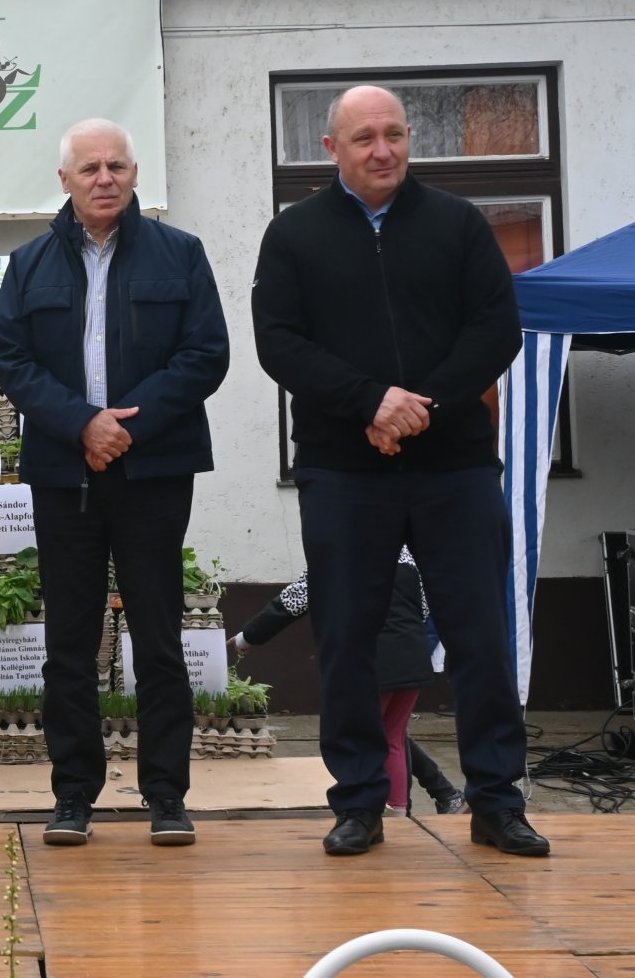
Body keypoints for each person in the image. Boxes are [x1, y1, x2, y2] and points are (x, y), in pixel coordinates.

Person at [252, 84, 548, 857]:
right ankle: (359, 803)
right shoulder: (294, 235)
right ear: (331, 149)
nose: (383, 150)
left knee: (481, 635)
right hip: (343, 470)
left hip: (454, 466)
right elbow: (278, 342)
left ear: (410, 136)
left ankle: (497, 801)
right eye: (364, 138)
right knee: (348, 638)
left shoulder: (457, 224)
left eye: (395, 134)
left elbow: (497, 329)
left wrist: (421, 410)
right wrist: (369, 403)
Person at [0, 119, 229, 848]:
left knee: (158, 636)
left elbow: (205, 354)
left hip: (154, 471)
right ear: (64, 180)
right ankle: (73, 796)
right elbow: (11, 358)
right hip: (66, 474)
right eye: (89, 167)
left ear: (134, 174)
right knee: (69, 641)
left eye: (116, 165)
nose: (104, 179)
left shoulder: (180, 254)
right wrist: (81, 425)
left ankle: (166, 796)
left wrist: (127, 426)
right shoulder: (29, 264)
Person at [230, 550, 466, 817]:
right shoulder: (408, 557)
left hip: (368, 663)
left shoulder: (338, 550)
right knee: (393, 740)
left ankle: (363, 815)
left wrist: (247, 637)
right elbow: (423, 608)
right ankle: (400, 817)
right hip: (412, 658)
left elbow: (295, 599)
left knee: (358, 740)